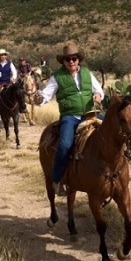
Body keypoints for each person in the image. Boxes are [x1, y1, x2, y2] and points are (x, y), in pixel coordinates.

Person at [37, 44, 104, 196]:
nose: (71, 62)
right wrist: (39, 98)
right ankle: (57, 179)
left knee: (112, 130)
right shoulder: (57, 77)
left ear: (78, 60)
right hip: (70, 116)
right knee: (65, 145)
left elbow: (98, 90)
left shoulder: (87, 73)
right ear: (63, 62)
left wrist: (98, 96)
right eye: (67, 59)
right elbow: (46, 95)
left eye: (74, 58)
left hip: (90, 113)